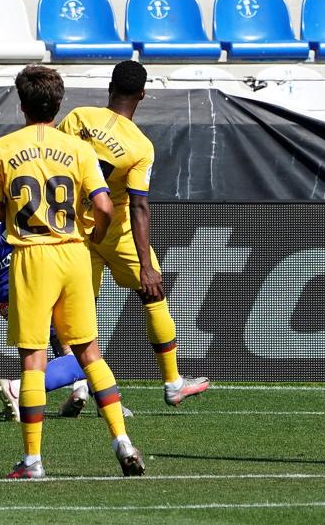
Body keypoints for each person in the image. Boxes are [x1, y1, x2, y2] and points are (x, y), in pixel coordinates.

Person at [0, 65, 144, 479]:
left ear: (21, 104)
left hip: (32, 258)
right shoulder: (78, 149)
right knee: (89, 352)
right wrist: (94, 232)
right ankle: (122, 440)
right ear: (59, 104)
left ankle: (33, 460)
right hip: (74, 252)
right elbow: (106, 206)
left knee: (34, 360)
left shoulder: (2, 147)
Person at [58, 60, 210, 407]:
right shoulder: (140, 147)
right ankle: (173, 382)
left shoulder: (79, 117)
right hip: (117, 230)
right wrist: (146, 265)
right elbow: (140, 205)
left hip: (75, 229)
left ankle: (79, 385)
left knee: (75, 312)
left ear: (110, 87)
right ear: (142, 94)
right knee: (153, 297)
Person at [0, 123, 89, 421]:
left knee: (62, 342)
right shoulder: (10, 168)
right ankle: (23, 389)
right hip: (43, 262)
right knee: (82, 351)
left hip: (8, 290)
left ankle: (82, 391)